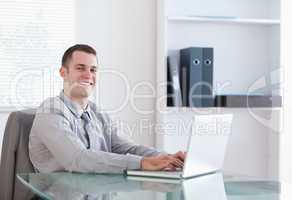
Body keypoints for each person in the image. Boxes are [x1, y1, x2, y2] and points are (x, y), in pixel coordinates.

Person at [29, 44, 185, 173]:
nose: (88, 75)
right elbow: (78, 159)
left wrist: (166, 157)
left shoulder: (98, 113)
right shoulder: (50, 110)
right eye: (80, 68)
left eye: (93, 70)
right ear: (63, 72)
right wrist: (142, 163)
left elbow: (125, 148)